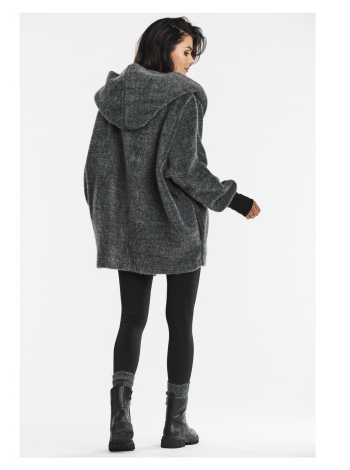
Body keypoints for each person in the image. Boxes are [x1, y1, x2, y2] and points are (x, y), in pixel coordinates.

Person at [83, 16, 261, 452]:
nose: (191, 62)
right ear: (165, 49)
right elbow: (184, 167)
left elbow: (95, 170)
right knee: (179, 322)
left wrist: (110, 221)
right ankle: (174, 425)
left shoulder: (114, 97)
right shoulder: (184, 96)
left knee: (131, 320)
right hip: (177, 225)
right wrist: (234, 200)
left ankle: (120, 423)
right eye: (186, 52)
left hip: (129, 227)